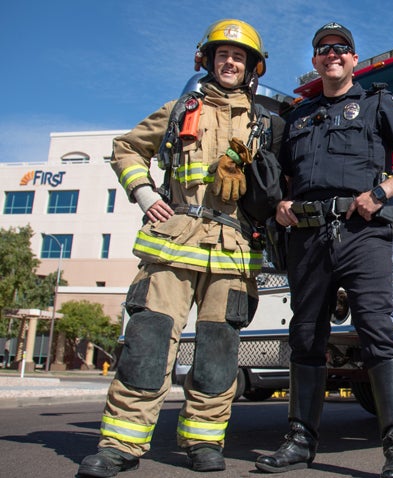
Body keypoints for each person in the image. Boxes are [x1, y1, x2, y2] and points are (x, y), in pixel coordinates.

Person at [78, 19, 273, 477]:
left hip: (234, 251)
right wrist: (145, 195)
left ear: (252, 68)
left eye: (239, 57)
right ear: (206, 60)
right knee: (147, 344)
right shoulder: (179, 109)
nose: (229, 62)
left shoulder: (267, 122)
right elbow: (126, 149)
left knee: (218, 352)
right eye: (222, 54)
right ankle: (120, 445)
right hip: (173, 243)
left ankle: (204, 441)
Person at [255, 22, 393, 478]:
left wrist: (382, 192)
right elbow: (279, 181)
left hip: (363, 233)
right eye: (322, 49)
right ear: (314, 61)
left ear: (354, 58)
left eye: (341, 48)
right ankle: (299, 442)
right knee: (305, 335)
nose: (331, 54)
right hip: (307, 237)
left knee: (377, 329)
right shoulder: (297, 116)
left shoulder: (378, 103)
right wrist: (279, 205)